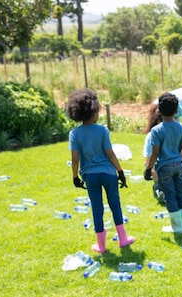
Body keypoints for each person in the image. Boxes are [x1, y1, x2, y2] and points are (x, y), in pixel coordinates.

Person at [66, 88, 135, 253]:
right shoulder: (102, 130)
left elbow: (75, 159)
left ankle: (101, 245)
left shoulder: (75, 134)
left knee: (96, 207)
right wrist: (120, 171)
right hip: (109, 174)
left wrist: (75, 177)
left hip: (90, 176)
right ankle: (123, 239)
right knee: (115, 204)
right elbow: (110, 154)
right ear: (94, 111)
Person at [144, 92, 182, 233]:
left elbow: (155, 153)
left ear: (158, 110)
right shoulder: (181, 127)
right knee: (181, 194)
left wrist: (148, 168)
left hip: (164, 168)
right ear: (176, 111)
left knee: (170, 196)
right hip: (179, 166)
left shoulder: (156, 130)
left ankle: (176, 227)